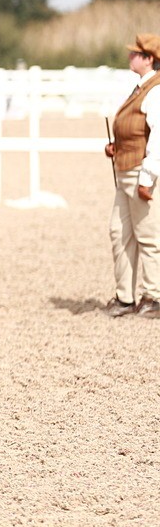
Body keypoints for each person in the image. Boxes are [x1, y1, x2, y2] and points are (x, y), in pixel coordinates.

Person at [104, 33, 160, 318]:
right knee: (120, 232)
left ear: (149, 59)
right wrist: (117, 146)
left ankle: (154, 295)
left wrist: (148, 177)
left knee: (147, 235)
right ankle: (125, 295)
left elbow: (158, 137)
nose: (131, 57)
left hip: (141, 173)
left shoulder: (155, 91)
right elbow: (133, 129)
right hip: (125, 170)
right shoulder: (140, 89)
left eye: (136, 54)